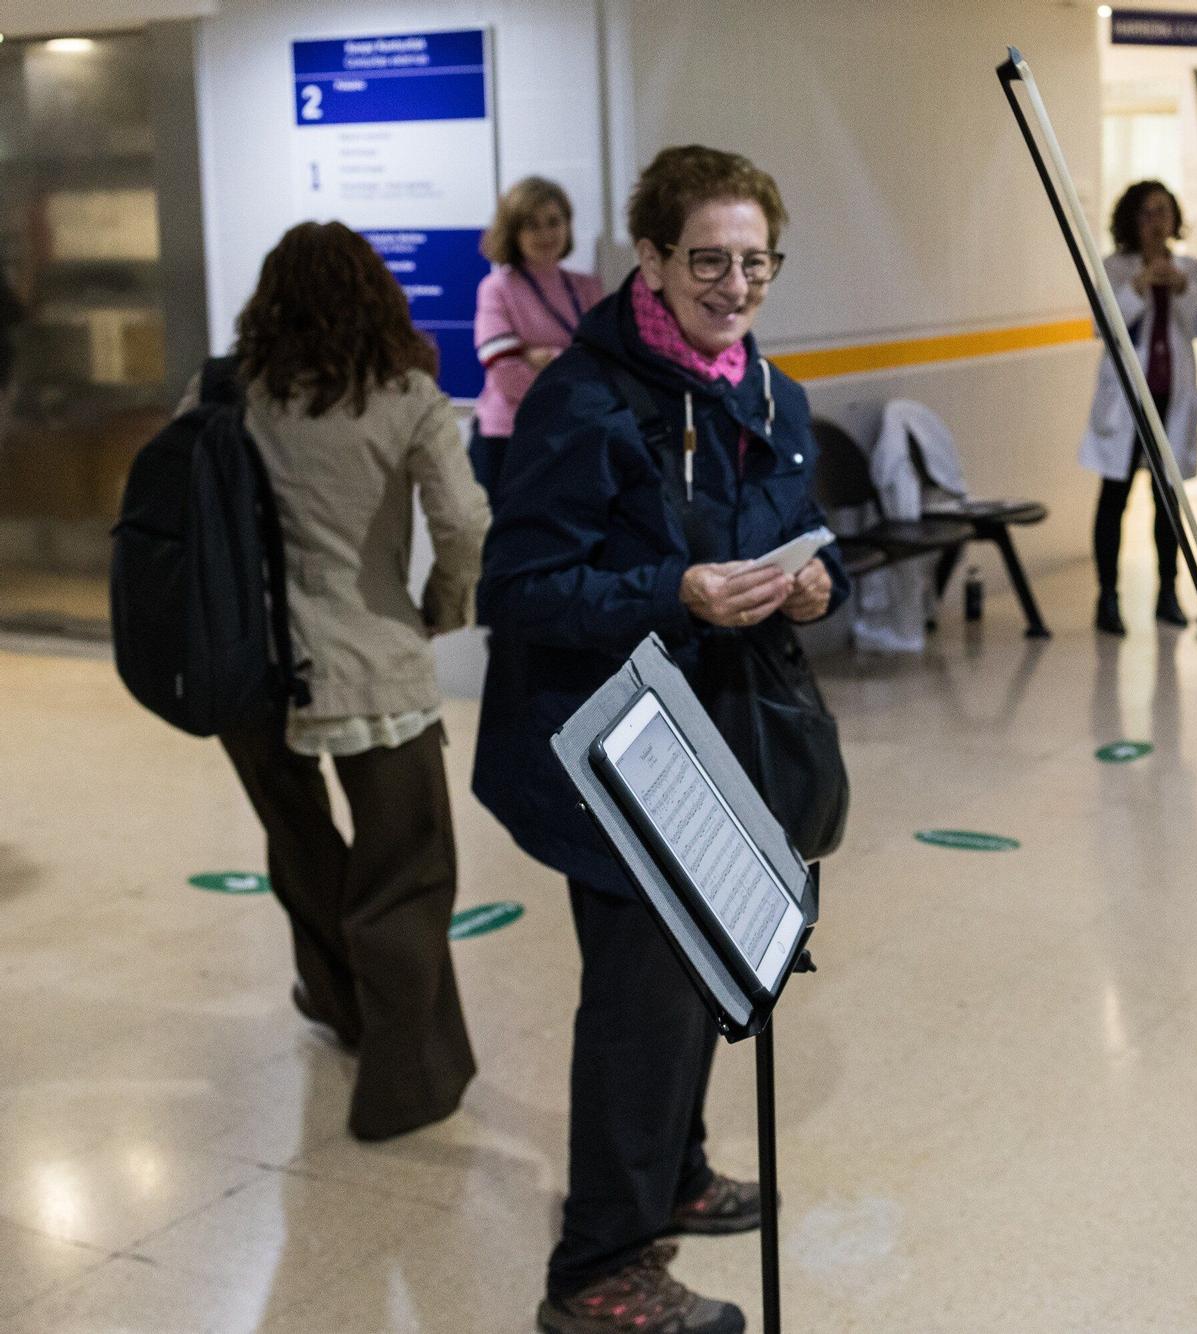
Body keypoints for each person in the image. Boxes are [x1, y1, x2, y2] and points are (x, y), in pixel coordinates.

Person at [474, 145, 849, 1334]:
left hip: (720, 740)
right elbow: (518, 588)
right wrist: (672, 590)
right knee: (639, 1006)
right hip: (615, 752)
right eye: (707, 261)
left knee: (697, 976)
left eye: (755, 262)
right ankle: (597, 1266)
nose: (734, 286)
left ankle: (675, 1172)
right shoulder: (582, 400)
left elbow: (800, 526)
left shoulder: (768, 392)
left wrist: (814, 586)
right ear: (648, 256)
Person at [209, 221, 489, 1141]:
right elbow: (464, 522)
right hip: (375, 667)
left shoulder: (227, 393)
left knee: (302, 851)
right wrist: (441, 607)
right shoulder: (407, 397)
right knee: (406, 873)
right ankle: (404, 1085)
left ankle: (337, 1002)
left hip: (252, 673)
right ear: (379, 298)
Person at [1079, 180, 1197, 636]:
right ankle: (1107, 597)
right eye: (1148, 213)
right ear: (1132, 220)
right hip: (1127, 402)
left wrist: (1182, 288)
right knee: (1114, 496)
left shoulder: (1190, 268)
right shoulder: (1115, 267)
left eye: (1164, 212)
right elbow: (1103, 326)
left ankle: (1167, 593)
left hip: (1170, 396)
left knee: (1166, 498)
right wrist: (1138, 284)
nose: (1157, 222)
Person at [471, 176, 606, 494]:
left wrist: (544, 359)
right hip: (509, 440)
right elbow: (506, 374)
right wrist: (573, 366)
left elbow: (605, 365)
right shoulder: (496, 289)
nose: (546, 234)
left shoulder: (588, 287)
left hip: (575, 435)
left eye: (554, 222)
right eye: (532, 225)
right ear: (513, 232)